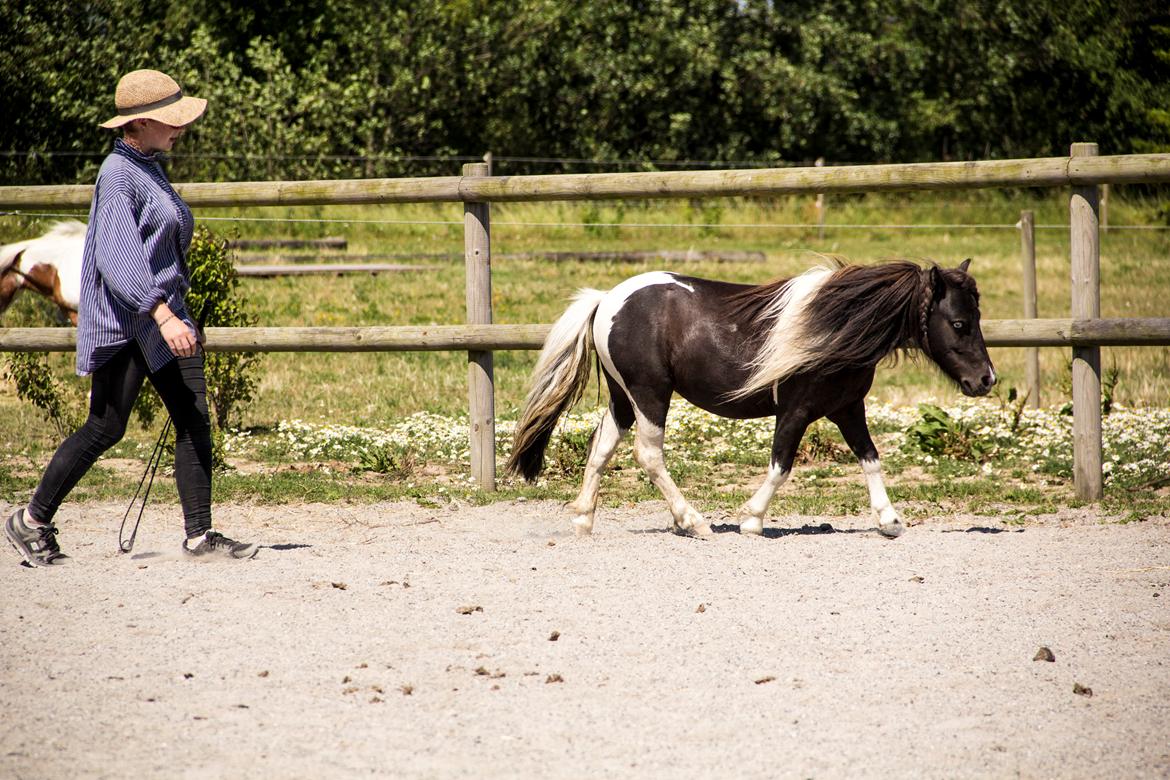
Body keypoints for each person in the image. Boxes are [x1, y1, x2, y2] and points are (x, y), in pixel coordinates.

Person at [5, 69, 256, 566]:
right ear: (137, 124)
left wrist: (175, 311)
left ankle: (199, 536)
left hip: (161, 315)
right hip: (130, 321)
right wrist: (163, 315)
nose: (179, 128)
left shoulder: (148, 165)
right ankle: (31, 519)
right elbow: (119, 261)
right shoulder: (118, 175)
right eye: (169, 120)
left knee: (192, 419)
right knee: (105, 427)